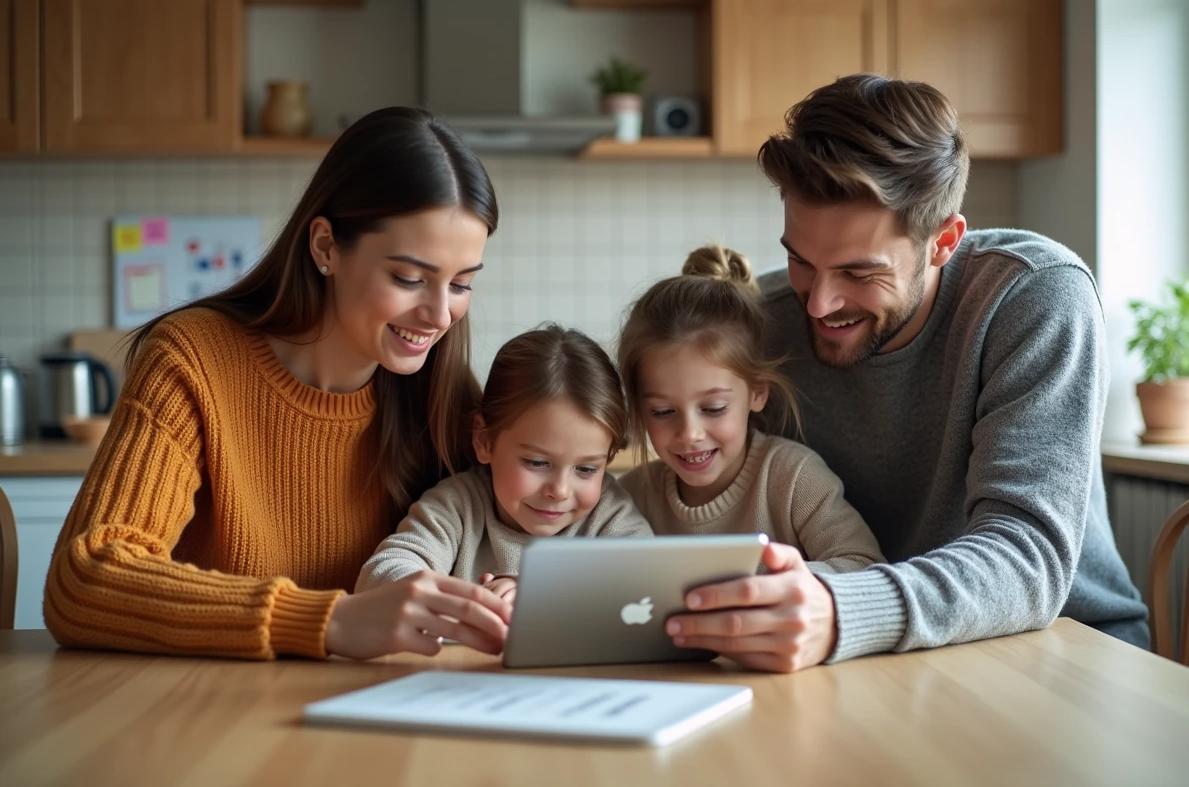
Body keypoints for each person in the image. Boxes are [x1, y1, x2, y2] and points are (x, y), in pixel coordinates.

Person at [659, 74, 1149, 673]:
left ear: (943, 241)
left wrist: (840, 611)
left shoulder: (1033, 297)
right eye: (800, 261)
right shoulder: (764, 322)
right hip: (882, 657)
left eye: (859, 274)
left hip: (1071, 654)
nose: (818, 304)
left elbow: (1027, 559)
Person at [43, 107, 516, 661]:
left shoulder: (446, 396)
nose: (439, 314)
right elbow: (84, 581)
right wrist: (329, 619)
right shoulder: (194, 359)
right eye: (409, 278)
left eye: (461, 284)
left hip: (383, 717)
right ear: (325, 248)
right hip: (206, 715)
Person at [616, 244, 884, 577]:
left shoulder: (793, 478)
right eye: (662, 411)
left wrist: (773, 588)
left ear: (757, 392)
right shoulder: (629, 497)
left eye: (713, 408)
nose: (689, 434)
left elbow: (865, 566)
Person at [356, 325, 652, 604]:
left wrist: (540, 591)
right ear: (484, 441)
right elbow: (380, 575)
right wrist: (456, 602)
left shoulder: (608, 515)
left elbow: (651, 582)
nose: (560, 491)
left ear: (609, 457)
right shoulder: (458, 507)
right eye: (537, 462)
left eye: (586, 469)